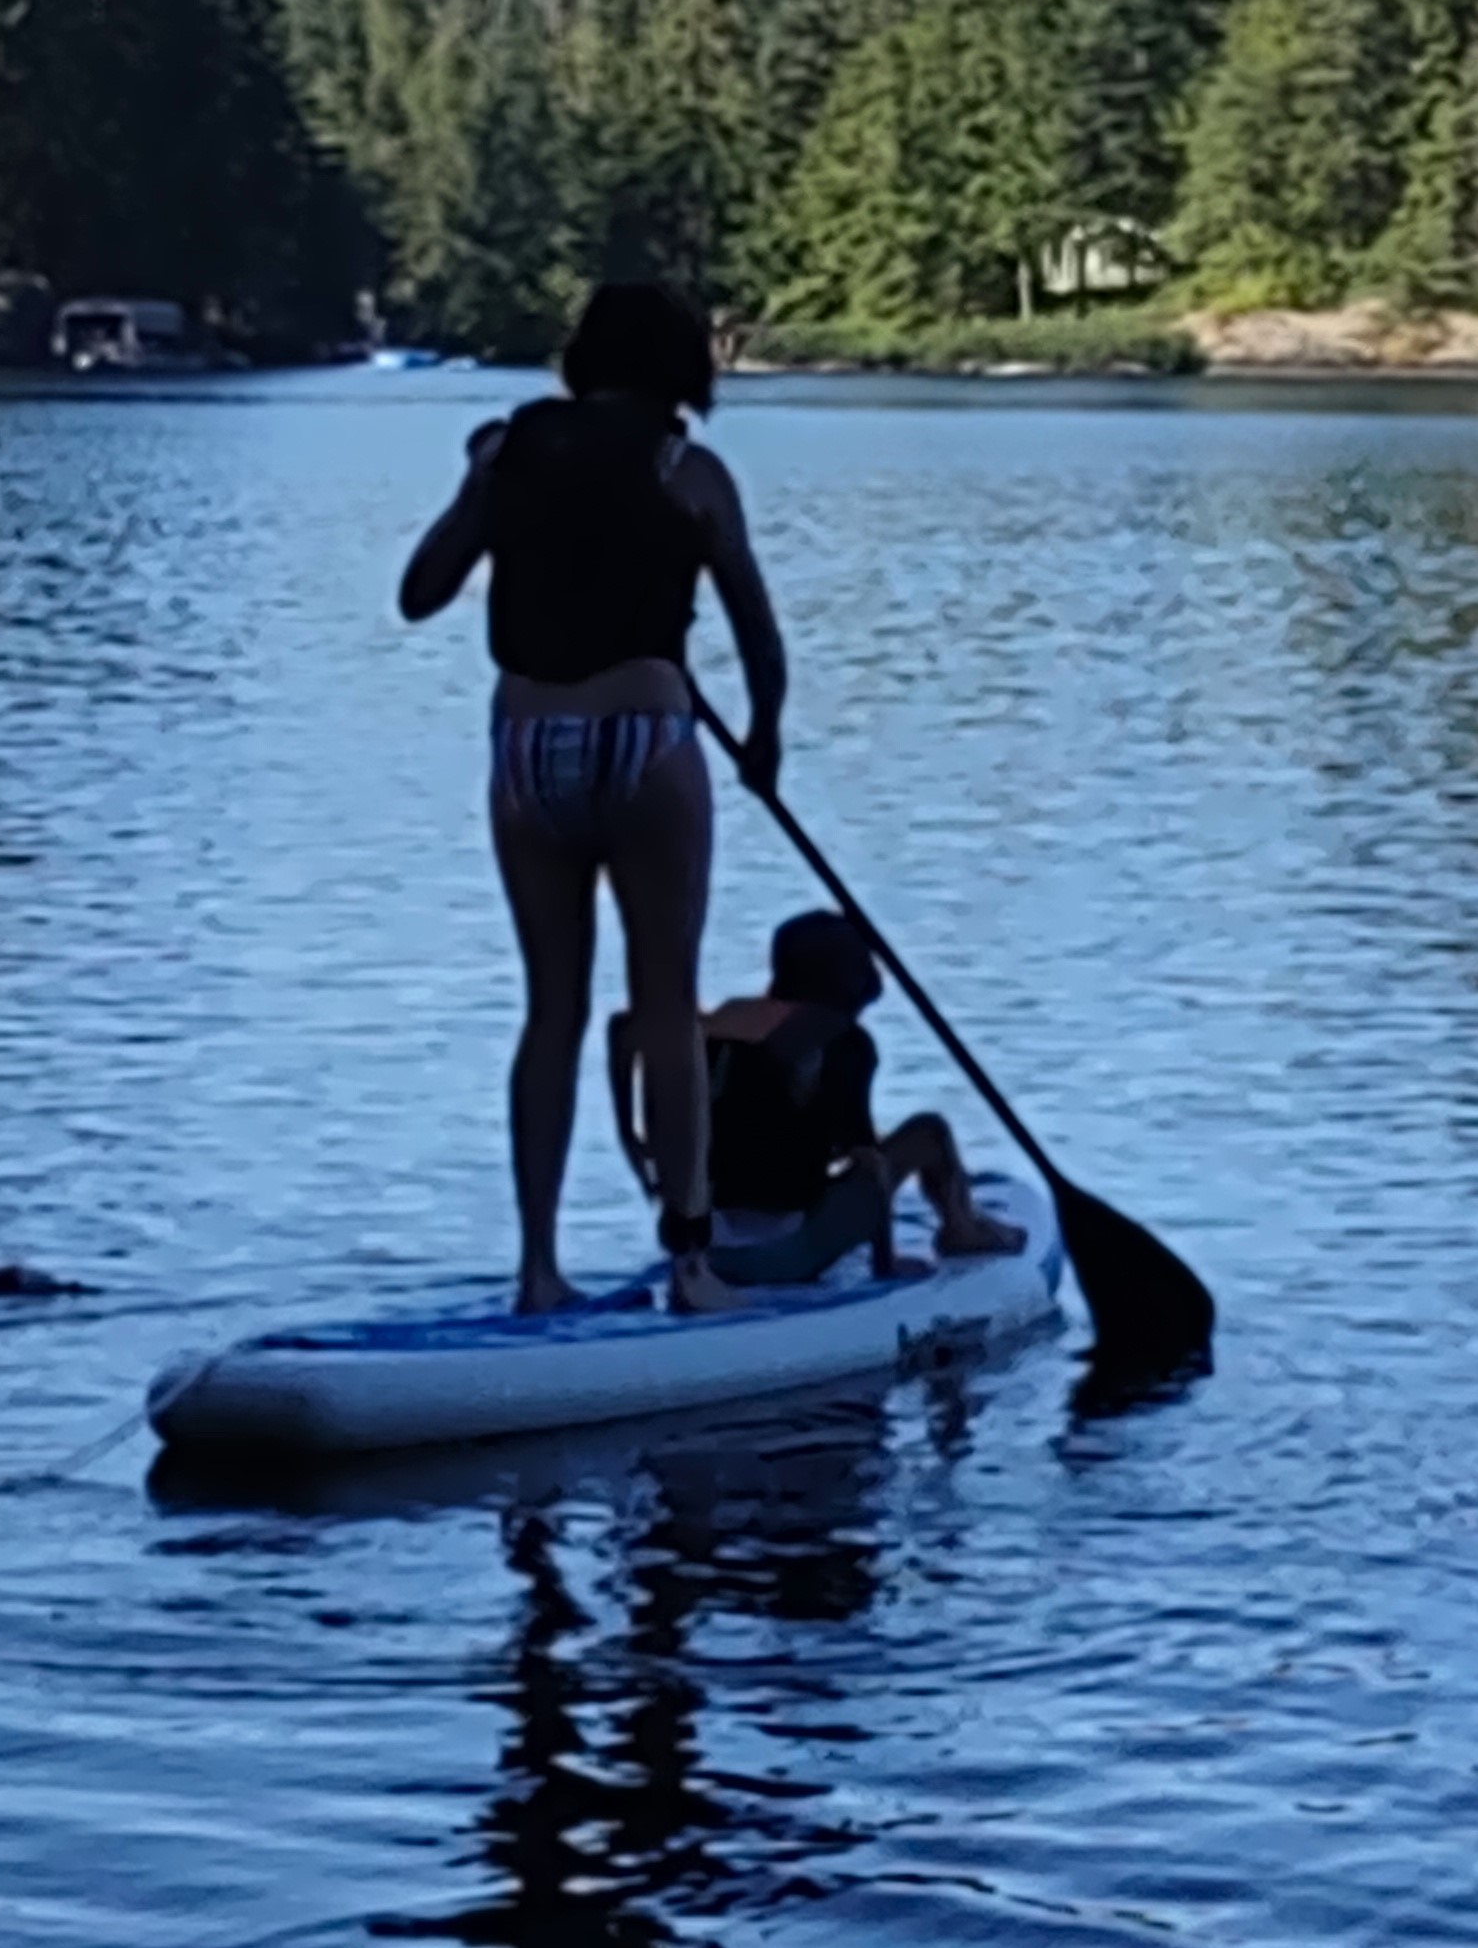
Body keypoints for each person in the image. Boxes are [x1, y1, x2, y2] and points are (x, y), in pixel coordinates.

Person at [400, 278, 786, 1312]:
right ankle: (692, 1266)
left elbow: (418, 593)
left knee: (551, 1013)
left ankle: (537, 1270)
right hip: (647, 738)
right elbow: (754, 624)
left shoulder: (507, 449)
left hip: (524, 746)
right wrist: (762, 740)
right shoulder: (689, 470)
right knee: (664, 1007)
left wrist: (479, 487)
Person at [607, 910, 1027, 1283]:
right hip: (777, 1255)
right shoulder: (842, 1041)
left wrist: (631, 1134)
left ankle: (961, 1221)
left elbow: (624, 1029)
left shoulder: (722, 1020)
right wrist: (886, 1261)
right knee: (928, 1133)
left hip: (694, 1243)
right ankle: (960, 1228)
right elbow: (869, 1165)